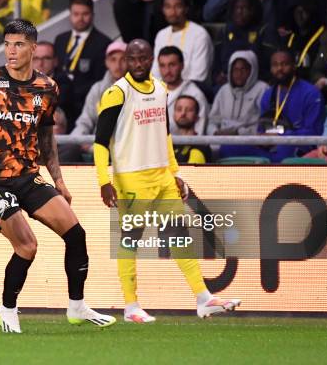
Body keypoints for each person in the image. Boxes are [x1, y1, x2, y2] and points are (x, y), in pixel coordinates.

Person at [0, 19, 116, 333]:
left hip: (28, 176)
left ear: (33, 47)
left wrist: (59, 180)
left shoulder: (47, 88)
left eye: (18, 44)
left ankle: (77, 307)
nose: (11, 50)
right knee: (27, 246)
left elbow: (46, 137)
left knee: (76, 234)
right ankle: (7, 309)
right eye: (7, 44)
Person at [93, 39, 240, 322]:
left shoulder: (161, 90)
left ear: (151, 59)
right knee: (130, 240)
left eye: (143, 58)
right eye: (132, 58)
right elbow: (100, 141)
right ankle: (130, 306)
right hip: (131, 178)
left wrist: (176, 174)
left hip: (161, 175)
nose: (138, 64)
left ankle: (203, 298)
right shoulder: (116, 93)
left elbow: (166, 135)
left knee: (179, 235)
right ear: (126, 59)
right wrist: (104, 179)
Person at [220, 49, 324, 161]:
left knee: (285, 148)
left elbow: (314, 134)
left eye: (284, 64)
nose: (279, 68)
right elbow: (263, 127)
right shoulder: (268, 94)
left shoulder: (311, 93)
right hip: (269, 147)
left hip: (295, 147)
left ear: (294, 66)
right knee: (228, 147)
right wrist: (262, 138)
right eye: (275, 65)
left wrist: (281, 137)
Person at [54, 0, 111, 129]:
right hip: (58, 102)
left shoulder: (103, 43)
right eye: (76, 14)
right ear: (70, 15)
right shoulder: (60, 40)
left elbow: (100, 80)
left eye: (85, 14)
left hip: (83, 104)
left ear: (92, 14)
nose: (80, 18)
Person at [151, 0, 213, 84]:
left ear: (186, 9)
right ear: (163, 10)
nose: (172, 12)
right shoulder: (161, 35)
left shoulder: (199, 34)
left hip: (192, 92)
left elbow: (198, 77)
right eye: (168, 7)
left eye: (177, 6)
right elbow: (155, 73)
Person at [213, 0, 276, 84]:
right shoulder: (225, 31)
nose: (239, 12)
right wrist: (218, 76)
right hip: (227, 83)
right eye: (237, 8)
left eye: (244, 8)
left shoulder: (264, 31)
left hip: (256, 83)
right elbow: (216, 64)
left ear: (252, 10)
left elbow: (269, 66)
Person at [208, 51, 268, 135]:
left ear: (252, 70)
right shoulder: (223, 90)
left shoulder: (262, 89)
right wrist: (215, 132)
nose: (239, 73)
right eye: (235, 69)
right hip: (221, 141)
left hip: (249, 143)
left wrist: (238, 132)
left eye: (243, 69)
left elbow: (264, 125)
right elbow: (212, 121)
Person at [157, 46, 209, 135]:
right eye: (162, 66)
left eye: (172, 65)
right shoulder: (152, 93)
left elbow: (199, 134)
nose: (167, 71)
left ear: (182, 65)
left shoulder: (195, 94)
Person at [32, 41, 72, 116]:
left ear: (55, 61)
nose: (40, 63)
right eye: (36, 58)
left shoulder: (64, 84)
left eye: (46, 58)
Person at [172, 95, 212, 163]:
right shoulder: (168, 144)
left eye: (189, 110)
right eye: (179, 109)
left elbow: (190, 172)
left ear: (197, 117)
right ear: (173, 115)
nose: (183, 113)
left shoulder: (201, 145)